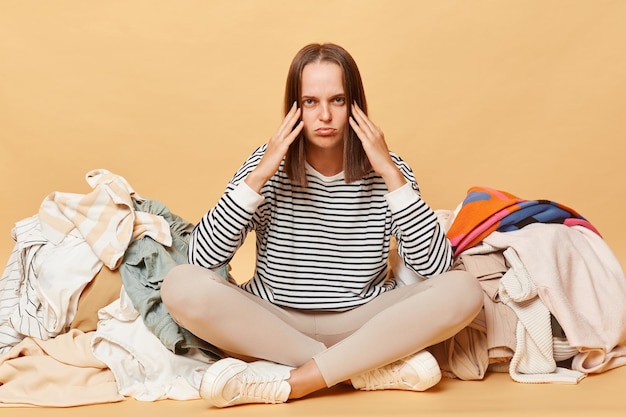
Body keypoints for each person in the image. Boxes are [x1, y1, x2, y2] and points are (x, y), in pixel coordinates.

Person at [160, 42, 483, 408]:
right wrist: (260, 174)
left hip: (363, 322)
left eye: (338, 100)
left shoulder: (389, 171)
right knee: (180, 284)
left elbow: (436, 268)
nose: (325, 115)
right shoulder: (266, 166)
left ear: (355, 106)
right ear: (294, 108)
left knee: (464, 289)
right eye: (311, 102)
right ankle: (358, 369)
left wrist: (391, 175)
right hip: (274, 323)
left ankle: (299, 381)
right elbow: (202, 259)